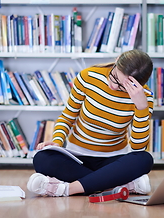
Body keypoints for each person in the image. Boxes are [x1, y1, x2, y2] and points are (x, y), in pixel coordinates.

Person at [27, 49, 154, 197]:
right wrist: (57, 141)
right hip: (77, 156)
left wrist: (141, 108)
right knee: (42, 158)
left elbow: (138, 147)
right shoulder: (88, 77)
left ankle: (67, 189)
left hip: (113, 160)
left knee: (144, 159)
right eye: (114, 76)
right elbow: (67, 116)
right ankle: (115, 185)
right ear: (117, 60)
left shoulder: (144, 98)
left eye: (122, 86)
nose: (113, 86)